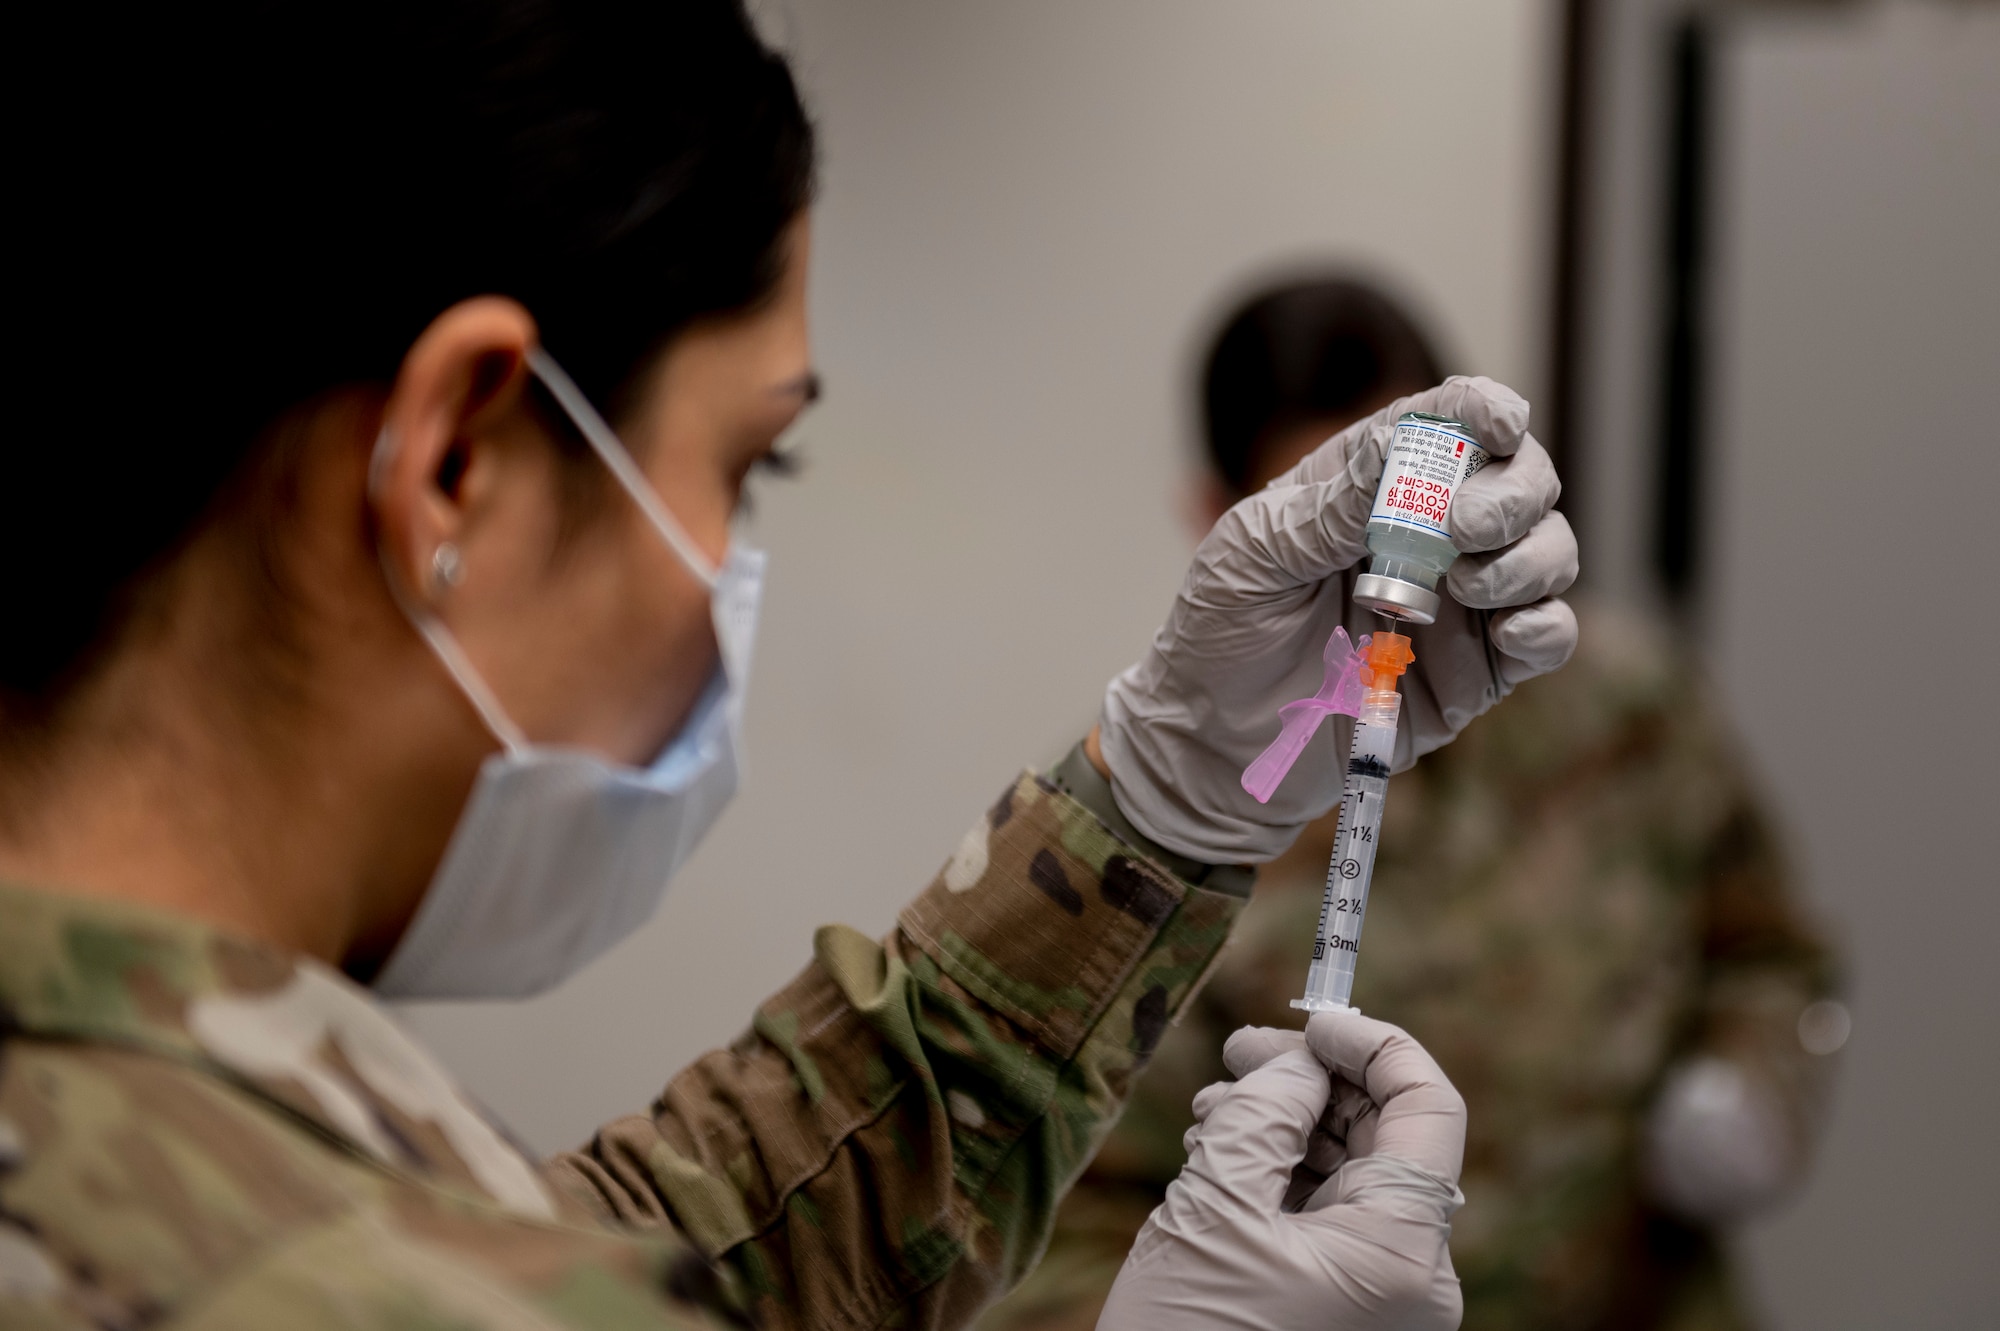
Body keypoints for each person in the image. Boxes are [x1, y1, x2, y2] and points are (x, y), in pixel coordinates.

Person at [0, 7, 1578, 1328]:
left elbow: (655, 1251)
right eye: (755, 462)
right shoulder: (304, 1281)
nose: (730, 564)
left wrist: (1155, 805)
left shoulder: (211, 1119)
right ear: (455, 466)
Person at [979, 279, 1842, 1331]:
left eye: (1406, 513)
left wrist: (1751, 1087)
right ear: (1219, 519)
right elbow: (1056, 1220)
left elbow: (1768, 951)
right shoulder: (1166, 807)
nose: (1383, 578)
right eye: (1328, 527)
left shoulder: (1621, 708)